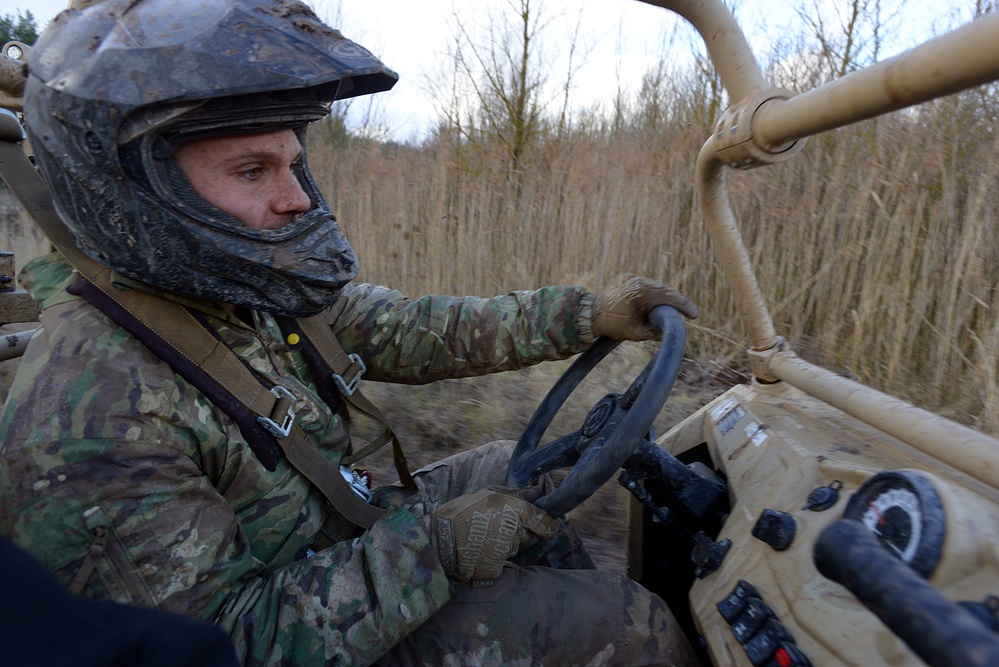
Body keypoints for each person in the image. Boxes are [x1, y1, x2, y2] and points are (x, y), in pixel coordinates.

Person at [0, 0, 699, 665]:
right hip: (296, 612)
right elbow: (224, 645)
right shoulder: (89, 417)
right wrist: (436, 549)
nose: (297, 196)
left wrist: (584, 314)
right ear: (132, 195)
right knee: (626, 626)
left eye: (292, 161)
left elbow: (412, 329)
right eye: (253, 170)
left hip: (342, 537)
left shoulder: (239, 290)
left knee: (530, 469)